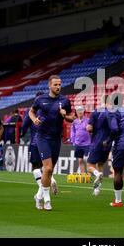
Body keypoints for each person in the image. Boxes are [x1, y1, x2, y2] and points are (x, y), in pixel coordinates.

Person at [29, 75, 74, 211]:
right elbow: (31, 112)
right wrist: (34, 119)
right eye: (55, 84)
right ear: (49, 85)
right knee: (47, 168)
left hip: (56, 139)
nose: (58, 87)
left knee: (49, 171)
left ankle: (38, 195)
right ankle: (47, 200)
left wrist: (65, 115)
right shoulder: (40, 99)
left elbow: (71, 118)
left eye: (59, 84)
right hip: (42, 137)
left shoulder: (64, 101)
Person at [21, 91, 52, 210]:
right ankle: (45, 188)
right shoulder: (48, 110)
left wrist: (22, 134)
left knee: (36, 168)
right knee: (46, 168)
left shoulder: (31, 111)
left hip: (35, 143)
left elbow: (24, 124)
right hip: (47, 143)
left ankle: (42, 191)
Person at [86, 96, 115, 196]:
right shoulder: (113, 113)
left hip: (97, 142)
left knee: (90, 165)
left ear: (102, 101)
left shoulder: (96, 112)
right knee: (101, 164)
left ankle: (97, 174)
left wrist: (89, 128)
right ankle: (97, 189)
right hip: (107, 143)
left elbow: (89, 128)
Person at [71, 106, 91, 174]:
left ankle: (89, 175)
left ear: (83, 111)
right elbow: (73, 131)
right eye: (78, 110)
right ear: (76, 112)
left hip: (87, 144)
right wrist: (73, 141)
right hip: (78, 144)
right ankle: (83, 174)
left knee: (87, 160)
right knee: (80, 160)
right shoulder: (74, 122)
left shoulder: (88, 120)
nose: (80, 112)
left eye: (81, 110)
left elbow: (91, 129)